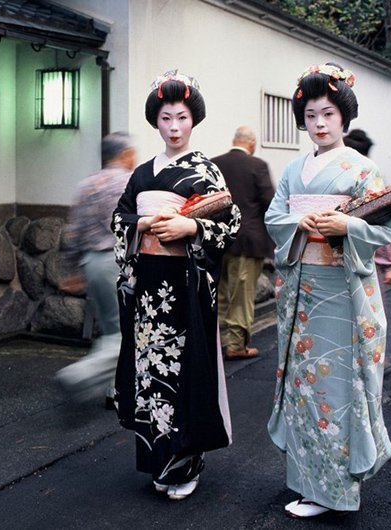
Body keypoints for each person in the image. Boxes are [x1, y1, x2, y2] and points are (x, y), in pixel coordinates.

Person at [263, 63, 391, 518]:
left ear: (344, 117)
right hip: (300, 289)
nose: (319, 124)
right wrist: (295, 223)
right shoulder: (293, 170)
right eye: (311, 116)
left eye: (328, 115)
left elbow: (386, 227)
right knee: (302, 384)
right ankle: (307, 482)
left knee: (334, 386)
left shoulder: (363, 169)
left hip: (341, 290)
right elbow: (273, 218)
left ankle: (335, 492)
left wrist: (347, 224)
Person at [112, 70, 241, 501]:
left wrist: (190, 225)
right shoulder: (142, 173)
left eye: (181, 117)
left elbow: (230, 221)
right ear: (156, 122)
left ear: (193, 121)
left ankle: (187, 463)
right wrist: (143, 223)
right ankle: (157, 461)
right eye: (165, 118)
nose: (173, 127)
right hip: (148, 287)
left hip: (185, 285)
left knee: (186, 371)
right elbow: (119, 219)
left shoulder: (205, 170)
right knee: (150, 372)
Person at [55, 132, 138, 408]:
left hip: (91, 262)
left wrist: (72, 268)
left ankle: (113, 389)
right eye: (132, 152)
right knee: (126, 330)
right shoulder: (126, 182)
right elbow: (131, 228)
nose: (135, 157)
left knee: (111, 327)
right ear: (124, 155)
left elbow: (74, 231)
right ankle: (81, 374)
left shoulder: (86, 185)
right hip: (116, 261)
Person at [212, 126, 274, 359]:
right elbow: (269, 202)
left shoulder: (214, 163)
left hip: (218, 240)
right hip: (248, 241)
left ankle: (215, 342)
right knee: (242, 295)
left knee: (220, 294)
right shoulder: (257, 166)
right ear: (252, 142)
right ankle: (236, 345)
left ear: (234, 140)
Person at [344, 129, 391, 286]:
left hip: (354, 252)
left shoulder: (369, 178)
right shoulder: (368, 175)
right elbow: (380, 221)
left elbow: (379, 220)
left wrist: (388, 266)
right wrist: (388, 266)